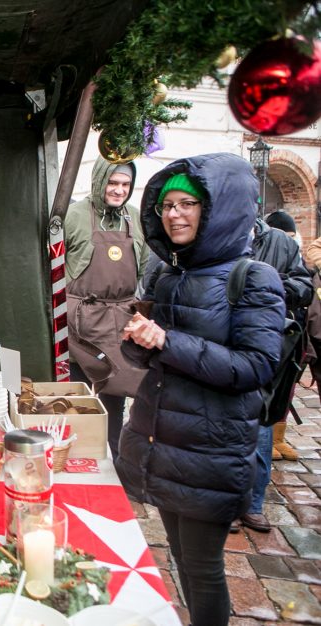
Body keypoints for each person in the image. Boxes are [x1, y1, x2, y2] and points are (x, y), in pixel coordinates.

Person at [117, 153, 286, 626]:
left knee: (203, 568)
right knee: (177, 554)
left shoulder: (252, 278)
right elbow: (151, 361)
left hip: (211, 448)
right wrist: (139, 341)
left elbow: (254, 367)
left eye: (187, 203)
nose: (173, 214)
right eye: (167, 204)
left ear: (219, 210)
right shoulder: (167, 273)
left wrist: (168, 340)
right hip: (162, 440)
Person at [231, 216, 313, 534]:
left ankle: (253, 504)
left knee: (261, 425)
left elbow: (304, 286)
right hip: (229, 343)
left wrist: (267, 284)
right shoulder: (221, 236)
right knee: (228, 430)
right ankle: (230, 506)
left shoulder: (280, 242)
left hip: (269, 346)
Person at [64, 159, 148, 459]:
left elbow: (144, 269)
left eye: (125, 185)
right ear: (100, 181)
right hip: (81, 324)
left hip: (120, 323)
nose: (119, 190)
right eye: (113, 183)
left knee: (114, 400)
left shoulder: (136, 218)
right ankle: (73, 461)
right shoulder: (72, 216)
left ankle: (111, 462)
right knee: (77, 399)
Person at [265, 209, 306, 462]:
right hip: (269, 329)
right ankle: (267, 437)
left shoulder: (291, 253)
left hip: (292, 330)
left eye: (292, 235)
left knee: (286, 390)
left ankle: (278, 437)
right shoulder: (267, 247)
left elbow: (303, 287)